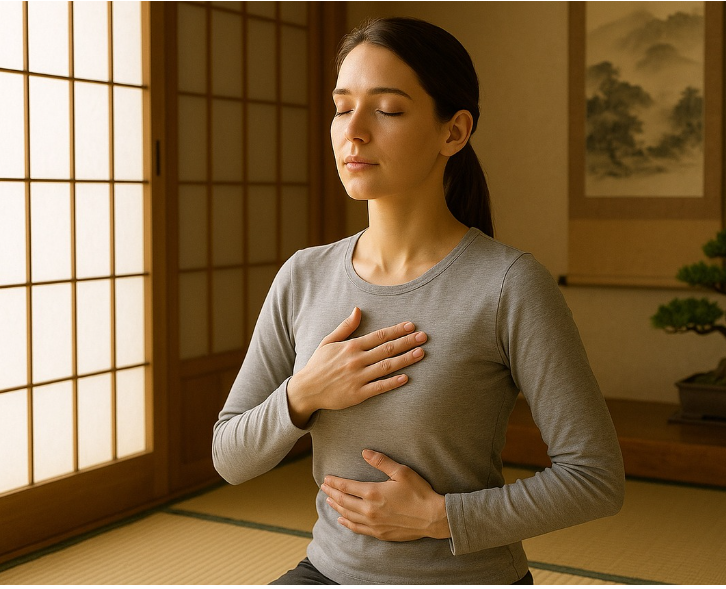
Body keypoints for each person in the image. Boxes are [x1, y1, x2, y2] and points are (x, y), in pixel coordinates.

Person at [213, 17, 625, 585]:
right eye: (341, 107)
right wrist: (304, 393)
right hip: (328, 572)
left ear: (453, 132)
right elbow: (229, 457)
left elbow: (595, 478)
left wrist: (441, 517)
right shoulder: (303, 276)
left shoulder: (509, 284)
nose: (352, 132)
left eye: (387, 110)